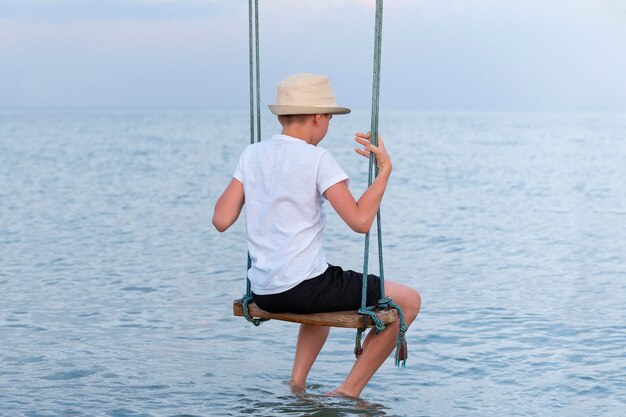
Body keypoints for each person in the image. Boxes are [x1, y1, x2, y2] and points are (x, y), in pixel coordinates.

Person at [213, 73, 421, 398]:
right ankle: (347, 393)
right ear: (317, 117)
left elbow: (222, 219)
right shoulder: (317, 159)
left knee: (322, 282)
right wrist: (384, 172)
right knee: (408, 301)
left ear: (281, 116)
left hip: (265, 291)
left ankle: (296, 384)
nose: (327, 127)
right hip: (304, 288)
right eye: (329, 119)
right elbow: (360, 221)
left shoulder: (251, 154)